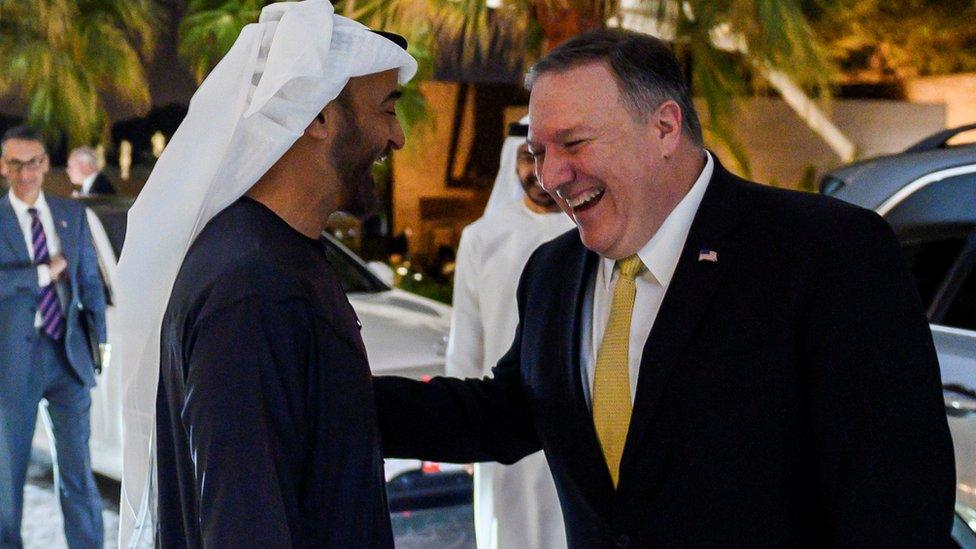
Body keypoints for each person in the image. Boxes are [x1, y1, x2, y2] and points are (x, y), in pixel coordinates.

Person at [373, 29, 956, 547]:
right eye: (539, 153)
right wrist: (321, 389)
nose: (550, 177)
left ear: (664, 127)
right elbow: (504, 414)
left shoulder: (825, 252)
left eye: (573, 144)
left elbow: (895, 498)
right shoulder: (552, 273)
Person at [114, 1, 417, 547]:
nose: (396, 138)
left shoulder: (271, 255)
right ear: (319, 116)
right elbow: (246, 523)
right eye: (386, 109)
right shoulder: (251, 287)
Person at [448, 116, 572, 549]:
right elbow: (467, 336)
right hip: (500, 413)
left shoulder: (592, 234)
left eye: (547, 158)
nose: (538, 172)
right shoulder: (482, 238)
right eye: (528, 158)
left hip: (577, 415)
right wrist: (464, 427)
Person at [0, 126, 106, 548]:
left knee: (78, 473)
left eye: (33, 162)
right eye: (15, 163)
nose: (25, 173)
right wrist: (42, 273)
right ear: (3, 166)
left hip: (67, 357)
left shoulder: (71, 213)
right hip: (12, 363)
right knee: (8, 479)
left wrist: (99, 343)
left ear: (46, 164)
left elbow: (90, 283)